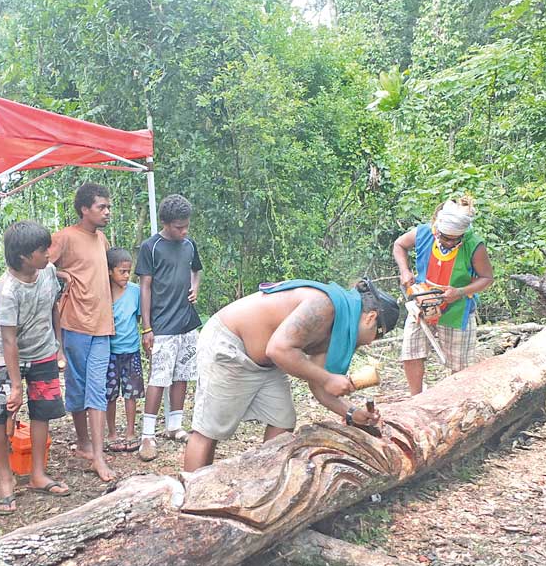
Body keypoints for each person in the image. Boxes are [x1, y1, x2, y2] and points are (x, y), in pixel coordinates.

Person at [182, 278, 400, 472]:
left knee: (282, 421)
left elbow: (318, 385)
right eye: (378, 335)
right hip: (231, 345)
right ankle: (191, 495)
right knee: (209, 431)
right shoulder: (324, 306)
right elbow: (278, 349)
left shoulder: (340, 325)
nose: (370, 342)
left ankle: (262, 481)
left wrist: (352, 413)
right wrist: (328, 379)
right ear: (371, 318)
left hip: (268, 362)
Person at [0, 220, 70, 514]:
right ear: (23, 256)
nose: (48, 254)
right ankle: (5, 479)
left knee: (42, 411)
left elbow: (54, 308)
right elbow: (9, 340)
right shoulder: (7, 290)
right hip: (9, 357)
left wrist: (58, 347)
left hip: (43, 353)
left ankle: (37, 473)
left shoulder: (48, 272)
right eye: (42, 250)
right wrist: (15, 385)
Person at [392, 196, 494, 395]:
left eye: (454, 239)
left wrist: (460, 292)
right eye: (445, 237)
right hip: (422, 301)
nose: (448, 242)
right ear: (437, 229)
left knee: (460, 365)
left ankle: (456, 400)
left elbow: (487, 278)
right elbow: (399, 245)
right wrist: (405, 271)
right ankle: (416, 399)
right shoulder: (424, 233)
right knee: (411, 352)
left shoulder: (474, 245)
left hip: (457, 308)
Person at [49, 183, 116, 482]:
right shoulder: (64, 237)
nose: (107, 212)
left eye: (108, 207)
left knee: (97, 387)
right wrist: (61, 273)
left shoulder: (102, 239)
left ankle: (98, 456)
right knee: (77, 385)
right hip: (74, 323)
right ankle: (83, 442)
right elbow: (39, 266)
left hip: (103, 325)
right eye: (102, 207)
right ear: (84, 209)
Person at [136, 194, 203, 462]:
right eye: (178, 227)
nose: (183, 231)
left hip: (187, 321)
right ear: (166, 223)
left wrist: (195, 287)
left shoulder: (189, 244)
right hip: (162, 323)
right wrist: (147, 327)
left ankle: (174, 425)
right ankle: (147, 434)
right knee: (159, 378)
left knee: (182, 374)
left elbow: (197, 270)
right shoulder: (151, 247)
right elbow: (145, 287)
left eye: (186, 226)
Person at [105, 247, 144, 453]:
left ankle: (130, 432)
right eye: (122, 271)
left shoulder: (135, 292)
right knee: (109, 394)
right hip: (109, 351)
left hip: (131, 349)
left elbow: (138, 317)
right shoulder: (104, 292)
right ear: (110, 271)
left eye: (129, 271)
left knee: (131, 393)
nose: (127, 275)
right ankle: (111, 433)